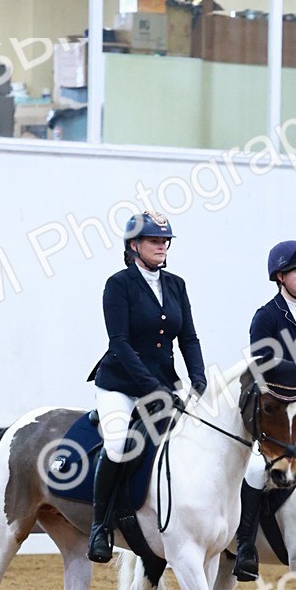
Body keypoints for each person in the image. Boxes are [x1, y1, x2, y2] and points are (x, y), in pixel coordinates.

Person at [86, 210, 207, 563]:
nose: (162, 246)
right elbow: (120, 343)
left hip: (165, 385)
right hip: (121, 385)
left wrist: (198, 379)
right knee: (119, 443)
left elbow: (189, 337)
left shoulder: (176, 285)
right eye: (155, 240)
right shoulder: (118, 284)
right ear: (134, 245)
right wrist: (153, 387)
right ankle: (101, 525)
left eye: (165, 241)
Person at [233, 239, 296, 580]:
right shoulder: (265, 317)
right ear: (280, 276)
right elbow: (262, 368)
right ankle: (245, 546)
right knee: (255, 472)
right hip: (270, 413)